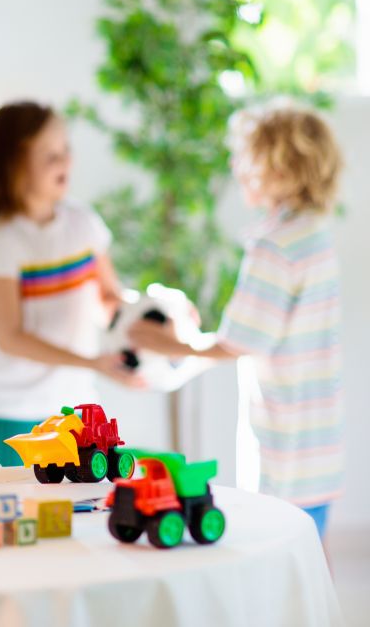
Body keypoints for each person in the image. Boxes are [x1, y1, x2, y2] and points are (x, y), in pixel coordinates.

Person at [129, 104, 344, 539]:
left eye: (247, 156)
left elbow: (239, 343)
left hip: (285, 448)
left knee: (281, 559)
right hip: (320, 447)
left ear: (279, 167)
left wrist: (163, 342)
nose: (236, 165)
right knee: (311, 563)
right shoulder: (314, 235)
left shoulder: (274, 245)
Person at [0, 101, 138, 467]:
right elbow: (9, 337)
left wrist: (159, 315)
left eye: (66, 150)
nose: (65, 162)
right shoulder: (2, 239)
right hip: (13, 416)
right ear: (16, 163)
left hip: (74, 411)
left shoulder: (83, 223)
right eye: (51, 155)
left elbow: (110, 298)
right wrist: (91, 362)